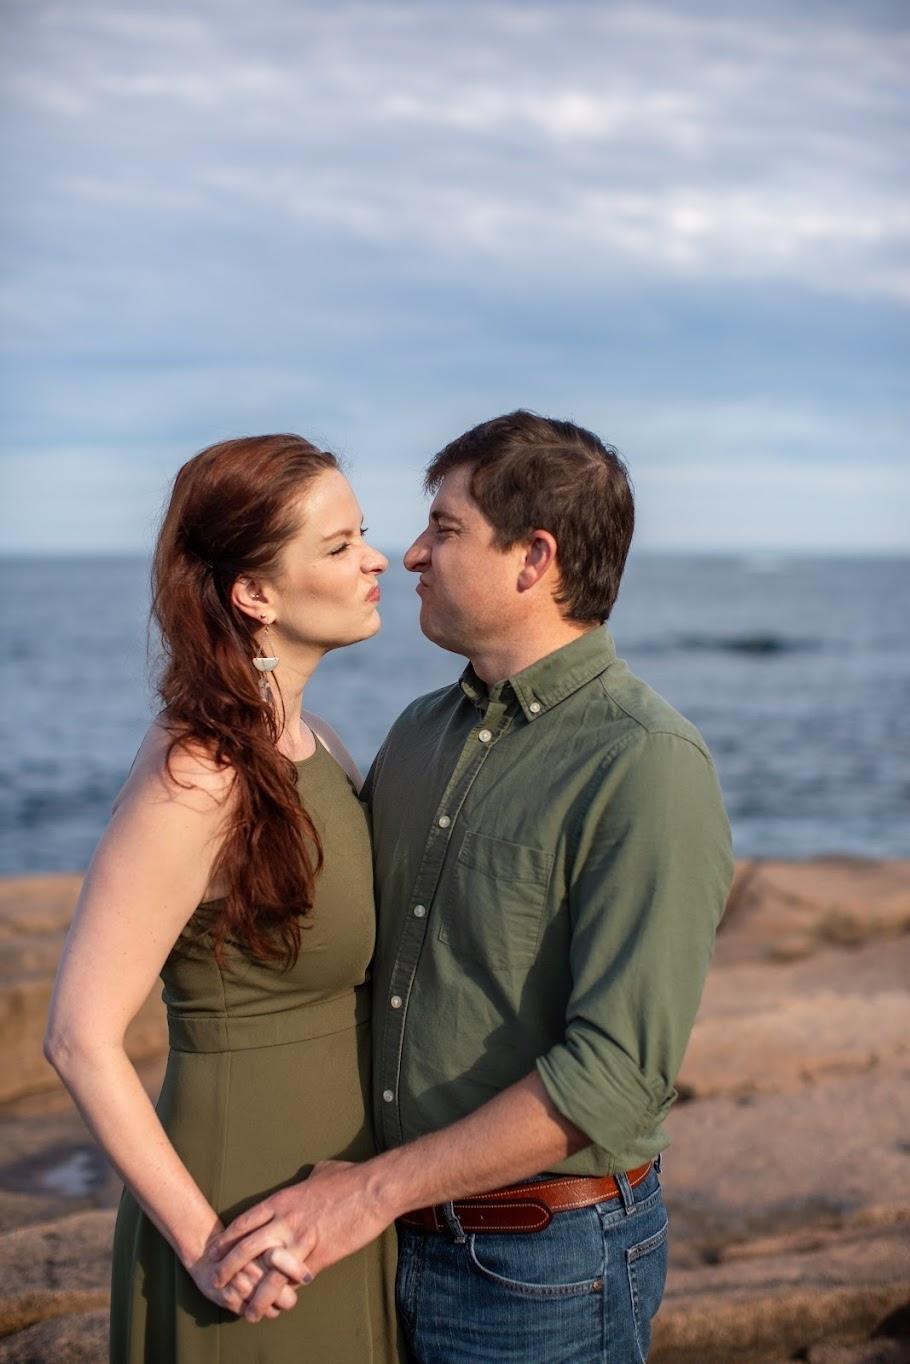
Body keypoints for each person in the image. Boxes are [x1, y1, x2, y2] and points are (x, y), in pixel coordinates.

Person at [212, 411, 734, 1363]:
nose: (409, 553)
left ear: (534, 559)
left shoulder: (646, 764)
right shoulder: (418, 732)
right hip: (379, 1238)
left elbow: (613, 1080)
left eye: (444, 529)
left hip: (543, 1269)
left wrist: (365, 1194)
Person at [44, 434, 402, 1363]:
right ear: (254, 593)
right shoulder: (197, 773)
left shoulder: (313, 739)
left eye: (362, 532)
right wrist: (205, 1247)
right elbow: (79, 1036)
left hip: (339, 1193)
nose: (375, 558)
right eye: (337, 545)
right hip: (239, 1214)